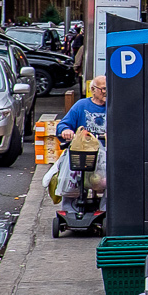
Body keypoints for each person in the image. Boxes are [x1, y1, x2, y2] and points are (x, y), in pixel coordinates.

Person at [56, 74, 108, 219]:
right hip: (84, 153)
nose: (105, 92)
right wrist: (66, 130)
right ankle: (70, 210)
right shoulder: (81, 105)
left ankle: (105, 210)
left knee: (114, 177)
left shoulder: (113, 106)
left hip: (105, 154)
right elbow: (63, 125)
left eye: (107, 89)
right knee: (70, 174)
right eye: (103, 89)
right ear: (93, 89)